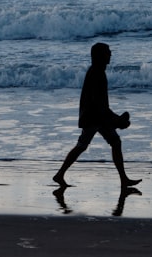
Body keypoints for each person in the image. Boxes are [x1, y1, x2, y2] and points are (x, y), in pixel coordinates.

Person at [53, 42, 141, 189]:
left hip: (97, 116)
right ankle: (60, 174)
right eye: (108, 52)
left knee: (113, 143)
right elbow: (99, 105)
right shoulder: (96, 73)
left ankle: (124, 179)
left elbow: (101, 106)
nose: (110, 54)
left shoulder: (98, 71)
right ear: (100, 56)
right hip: (93, 118)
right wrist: (117, 120)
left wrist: (116, 120)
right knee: (82, 146)